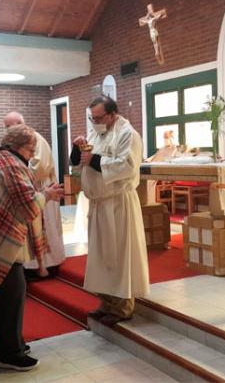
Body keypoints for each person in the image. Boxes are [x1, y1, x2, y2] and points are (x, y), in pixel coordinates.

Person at [0, 124, 63, 372]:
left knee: (3, 298)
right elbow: (28, 206)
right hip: (2, 243)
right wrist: (47, 194)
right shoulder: (13, 166)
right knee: (12, 298)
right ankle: (11, 353)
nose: (31, 154)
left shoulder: (0, 161)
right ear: (19, 147)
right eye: (30, 149)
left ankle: (2, 346)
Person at [70, 96, 150, 326]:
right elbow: (79, 162)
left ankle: (123, 307)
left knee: (118, 255)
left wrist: (93, 158)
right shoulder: (98, 132)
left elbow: (127, 166)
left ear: (112, 114)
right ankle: (106, 303)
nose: (93, 122)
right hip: (99, 204)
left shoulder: (128, 134)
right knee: (101, 256)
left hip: (117, 204)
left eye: (97, 117)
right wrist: (77, 149)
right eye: (91, 118)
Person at [2, 112, 66, 280]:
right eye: (5, 127)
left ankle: (48, 266)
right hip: (30, 192)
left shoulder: (36, 139)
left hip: (42, 190)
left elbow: (40, 167)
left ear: (20, 124)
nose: (7, 130)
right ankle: (31, 266)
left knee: (45, 228)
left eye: (10, 126)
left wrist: (18, 173)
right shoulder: (16, 144)